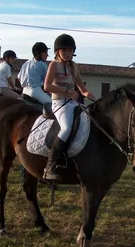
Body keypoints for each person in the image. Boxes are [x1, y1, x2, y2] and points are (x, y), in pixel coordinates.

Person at [42, 33, 96, 181]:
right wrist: (67, 92)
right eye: (64, 50)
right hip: (59, 103)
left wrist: (94, 99)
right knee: (66, 129)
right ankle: (50, 165)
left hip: (73, 103)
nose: (67, 53)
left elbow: (82, 89)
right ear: (57, 51)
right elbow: (47, 86)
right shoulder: (54, 65)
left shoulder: (74, 67)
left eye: (70, 50)